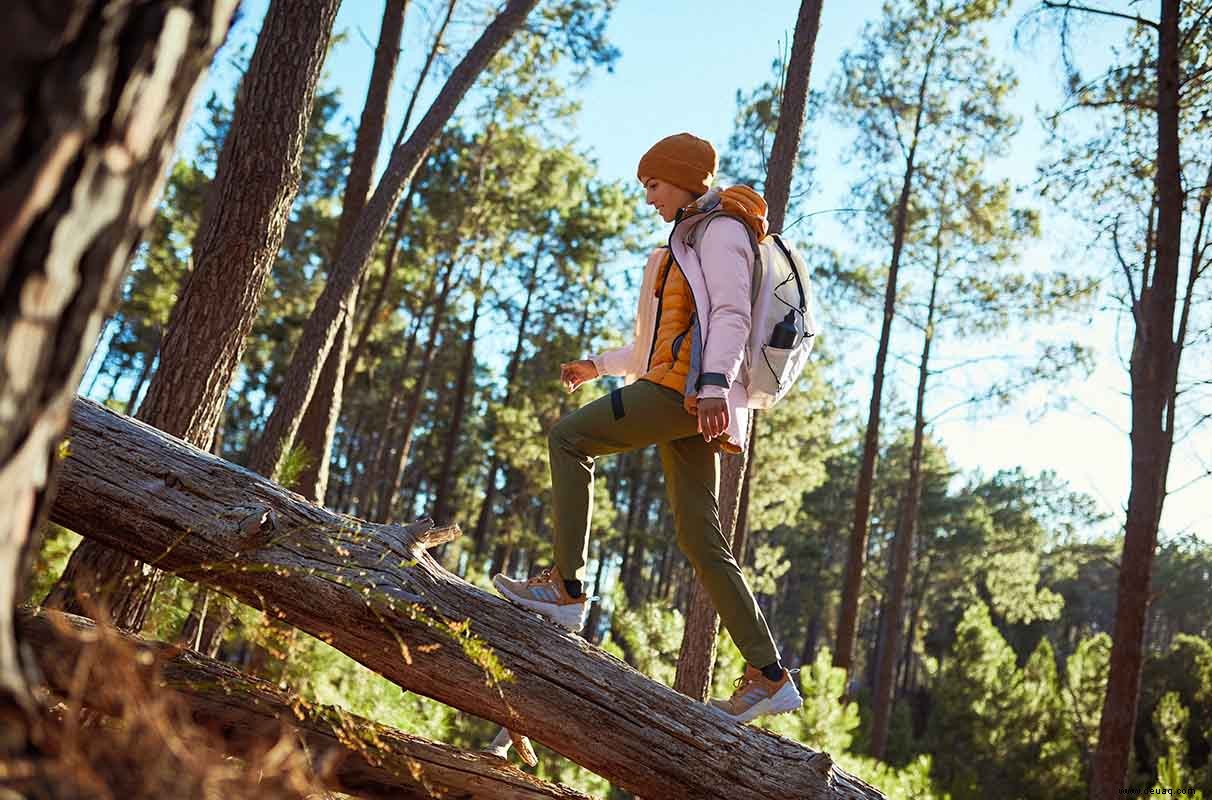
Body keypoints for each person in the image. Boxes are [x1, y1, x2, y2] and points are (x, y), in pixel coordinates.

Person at [492, 133, 802, 724]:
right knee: (701, 541)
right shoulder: (680, 244)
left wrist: (713, 387)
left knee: (568, 439)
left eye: (653, 185)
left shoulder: (721, 230)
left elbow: (732, 314)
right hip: (684, 390)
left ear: (685, 178)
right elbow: (655, 344)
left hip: (687, 393)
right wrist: (598, 366)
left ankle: (564, 588)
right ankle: (768, 675)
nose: (649, 197)